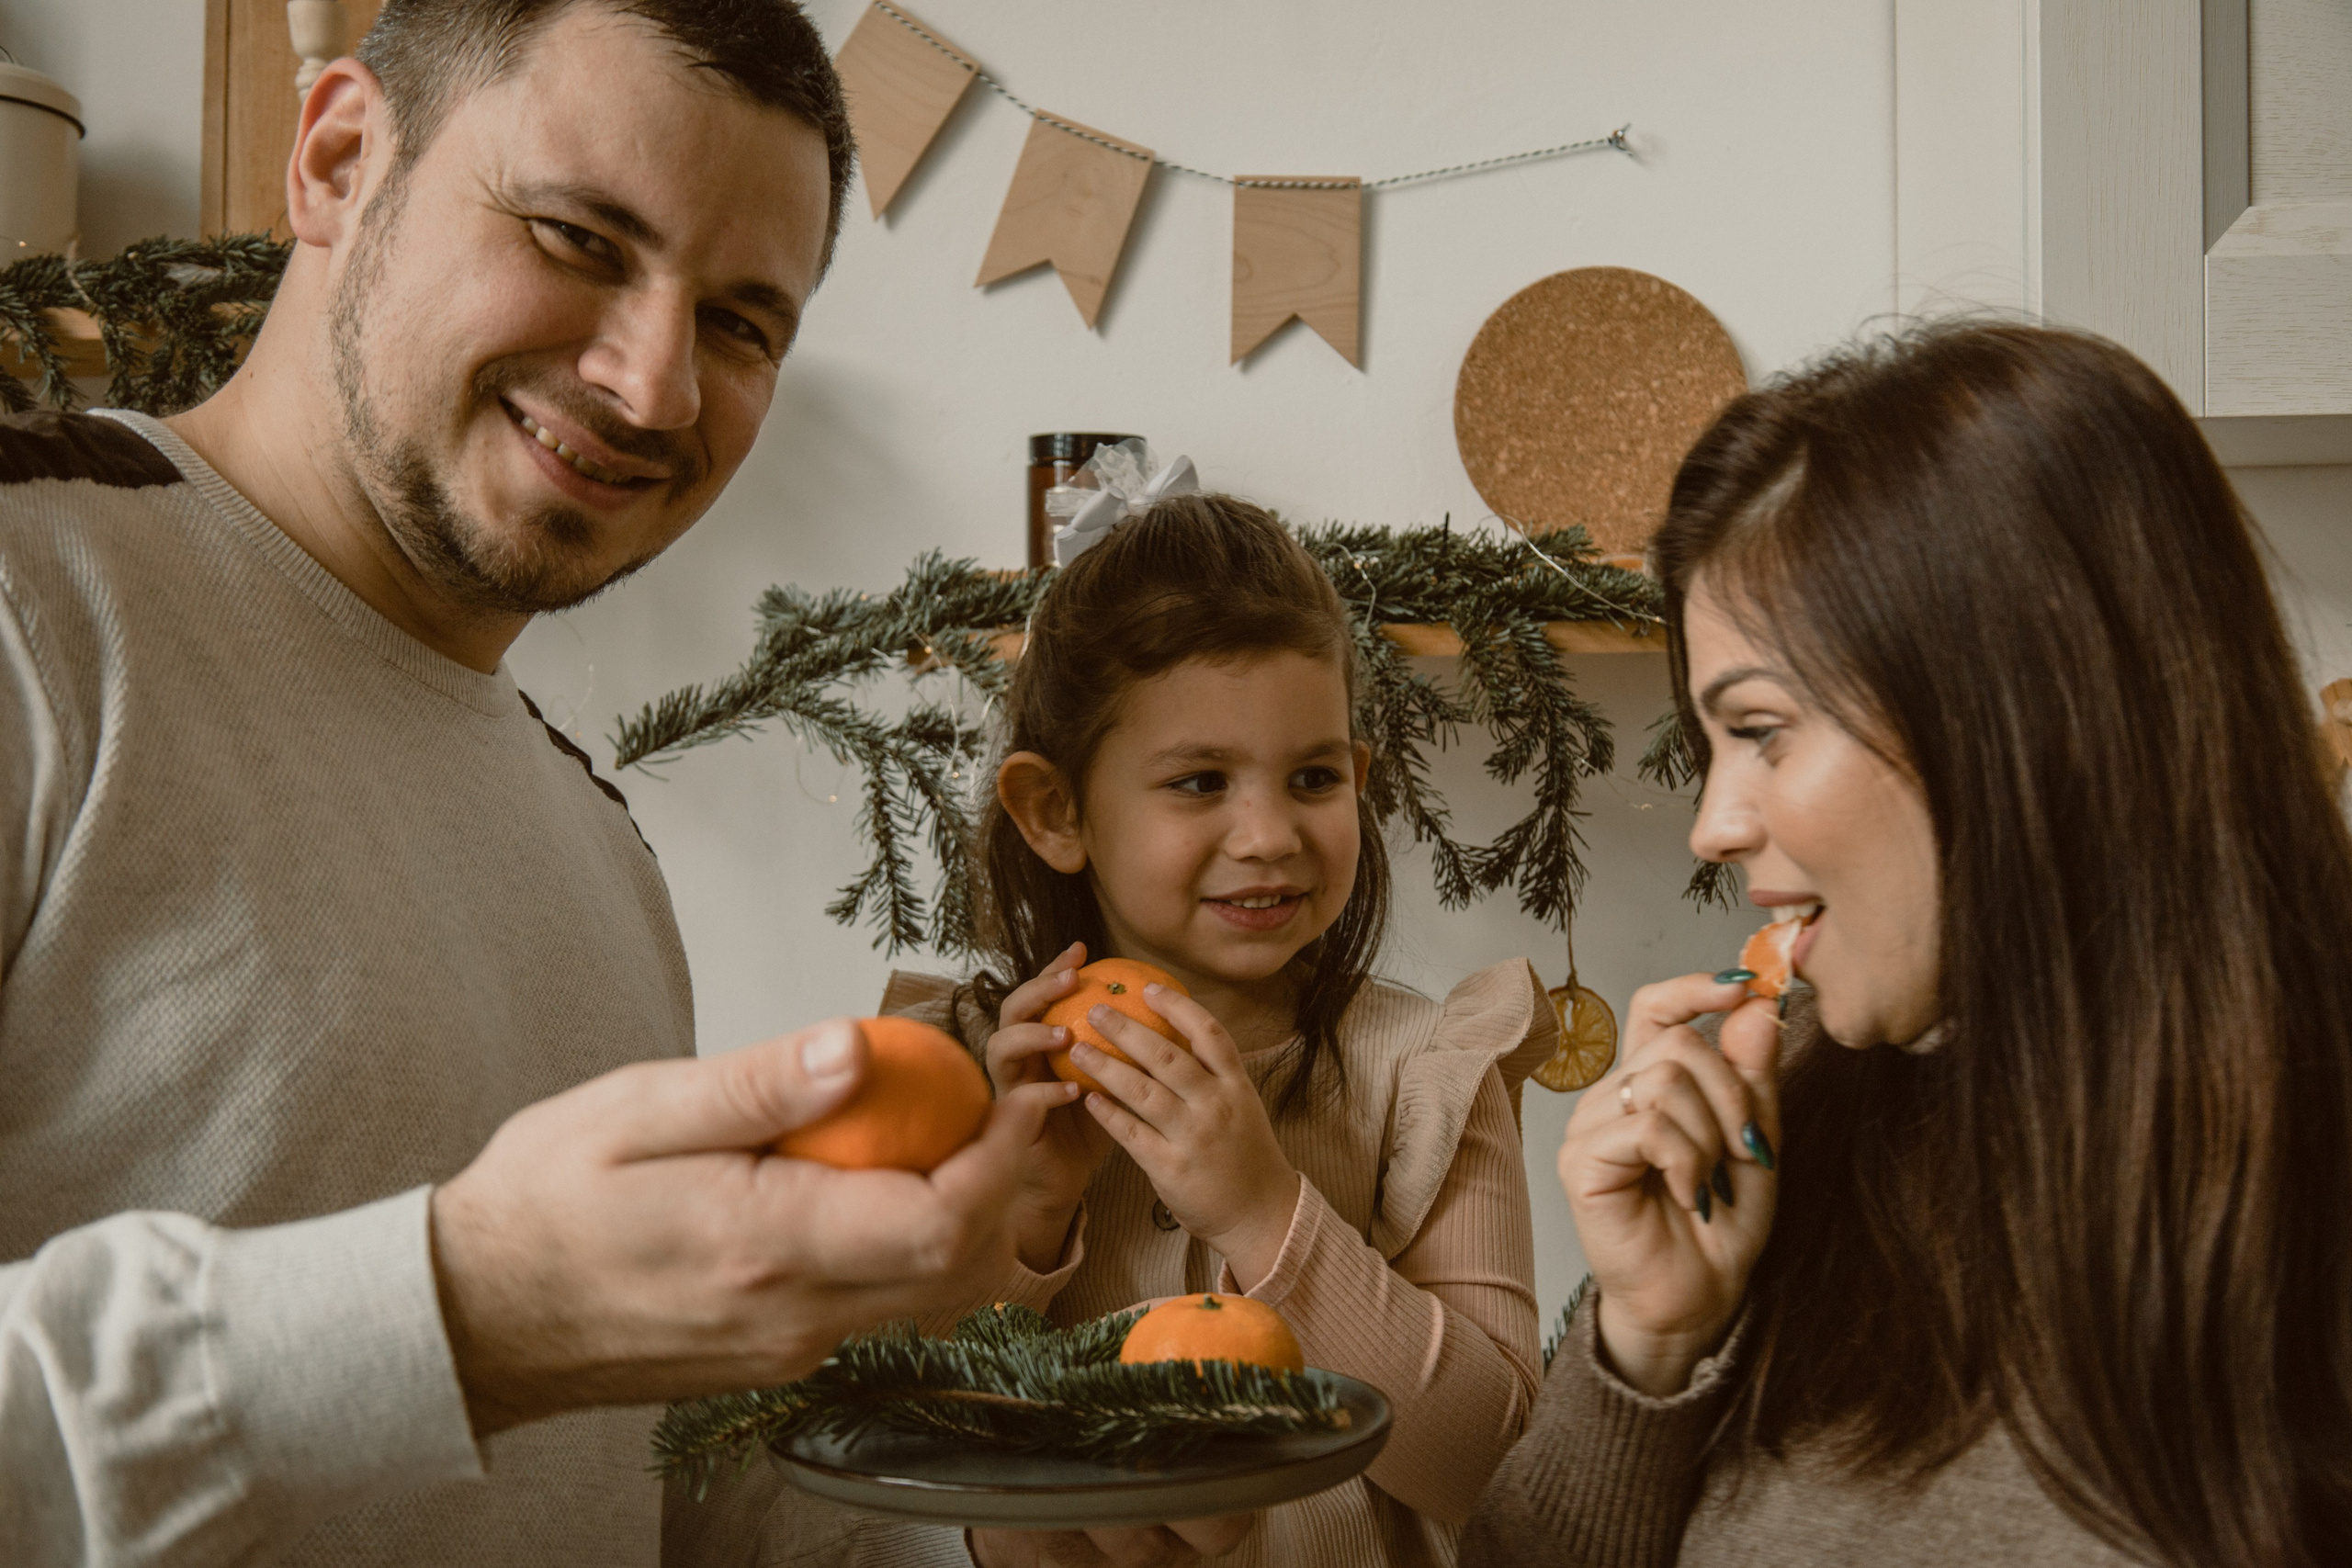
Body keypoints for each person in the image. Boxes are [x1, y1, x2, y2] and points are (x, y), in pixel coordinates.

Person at [0, 5, 1058, 1565]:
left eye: (742, 323)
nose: (655, 386)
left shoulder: (598, 842)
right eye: (577, 236)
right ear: (342, 159)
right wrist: (466, 1309)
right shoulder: (34, 602)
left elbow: (655, 1498)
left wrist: (1011, 1525)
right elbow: (498, 1331)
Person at [1460, 322, 2352, 1566]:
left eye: (1763, 728)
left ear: (2023, 709)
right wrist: (1647, 1339)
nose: (1714, 825)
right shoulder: (1791, 1146)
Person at [704, 491, 1559, 1567]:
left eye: (1313, 776)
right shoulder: (951, 1076)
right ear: (1056, 813)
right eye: (1199, 782)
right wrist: (1023, 1222)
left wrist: (1264, 1213)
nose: (1269, 834)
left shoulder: (1429, 1072)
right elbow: (867, 1441)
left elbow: (1500, 1468)